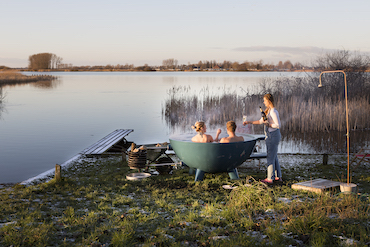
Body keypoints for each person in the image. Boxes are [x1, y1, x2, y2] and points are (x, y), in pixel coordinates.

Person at [243, 93, 282, 184]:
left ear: (269, 101)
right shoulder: (268, 111)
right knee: (274, 156)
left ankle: (269, 178)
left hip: (273, 135)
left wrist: (269, 125)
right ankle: (278, 177)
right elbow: (261, 121)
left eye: (264, 100)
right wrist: (249, 122)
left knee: (270, 157)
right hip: (271, 135)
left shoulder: (273, 112)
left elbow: (278, 125)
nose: (263, 102)